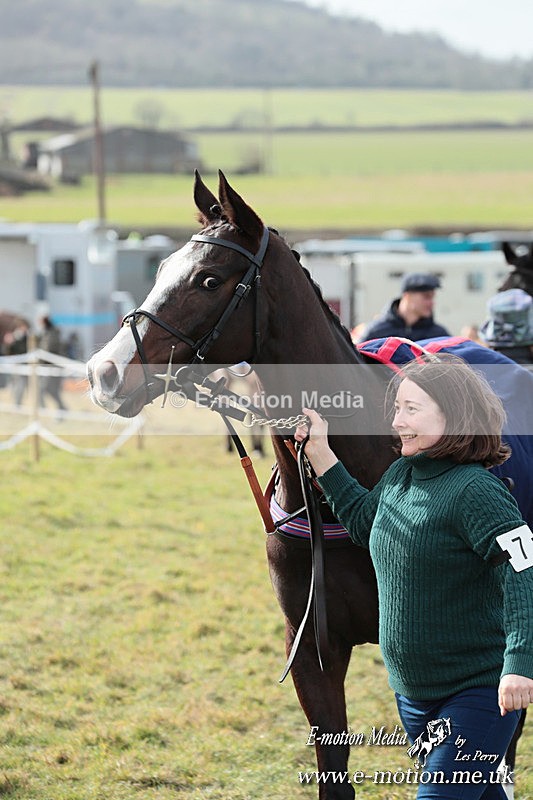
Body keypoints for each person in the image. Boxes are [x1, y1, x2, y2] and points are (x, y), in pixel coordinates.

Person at [295, 355, 533, 798]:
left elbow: (524, 572)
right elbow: (365, 521)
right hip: (413, 697)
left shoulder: (477, 491)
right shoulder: (402, 474)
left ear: (453, 415)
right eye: (397, 408)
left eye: (411, 409)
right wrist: (321, 452)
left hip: (479, 694)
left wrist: (519, 664)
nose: (396, 421)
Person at [357, 272, 450, 342]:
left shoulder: (439, 335)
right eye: (426, 297)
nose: (432, 303)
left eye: (432, 297)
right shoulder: (376, 332)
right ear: (407, 296)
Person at [38, 316, 66, 411]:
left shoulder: (52, 333)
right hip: (47, 366)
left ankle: (61, 408)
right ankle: (58, 408)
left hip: (53, 366)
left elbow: (50, 349)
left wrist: (41, 356)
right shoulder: (46, 333)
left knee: (50, 389)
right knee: (46, 389)